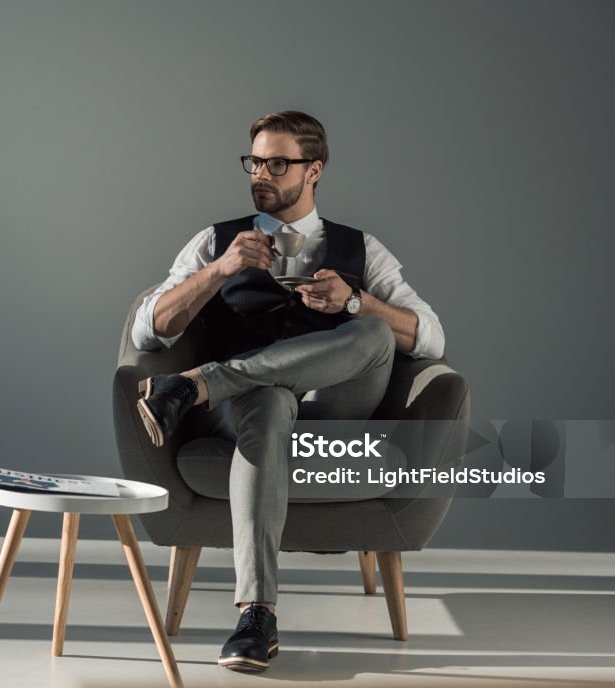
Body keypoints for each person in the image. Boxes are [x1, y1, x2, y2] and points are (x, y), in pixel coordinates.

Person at [130, 111, 445, 672]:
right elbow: (147, 328)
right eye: (254, 161)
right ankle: (257, 616)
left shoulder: (360, 248)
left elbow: (432, 338)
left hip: (338, 406)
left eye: (278, 163)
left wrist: (354, 302)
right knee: (268, 398)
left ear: (314, 169)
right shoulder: (214, 241)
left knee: (372, 329)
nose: (261, 174)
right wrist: (221, 269)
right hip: (247, 413)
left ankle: (194, 386)